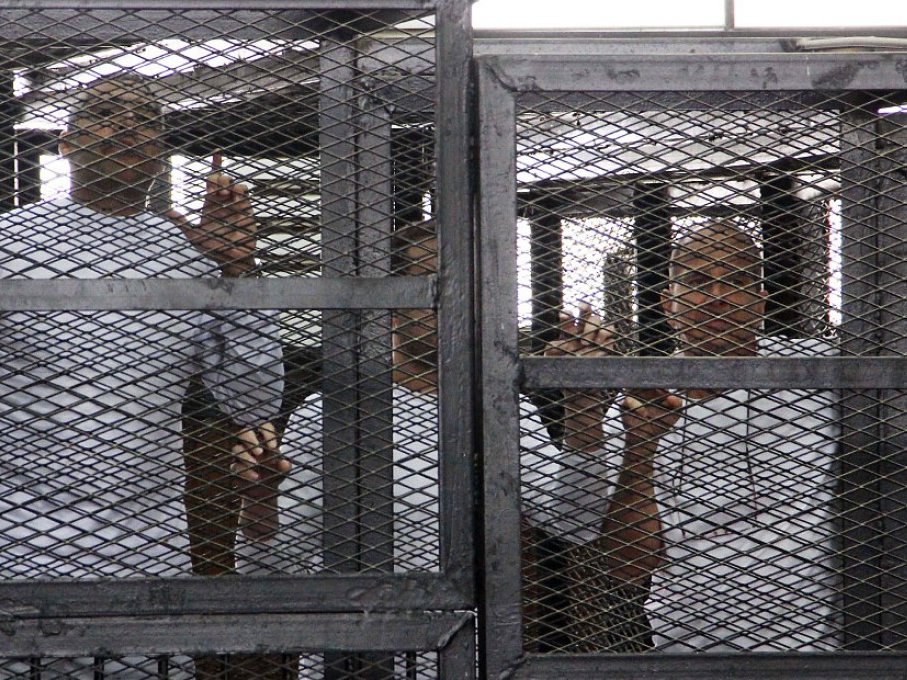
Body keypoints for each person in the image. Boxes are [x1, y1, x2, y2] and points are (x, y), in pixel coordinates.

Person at [0, 74, 284, 676]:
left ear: (162, 150)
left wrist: (240, 273)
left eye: (144, 119)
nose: (127, 126)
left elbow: (253, 397)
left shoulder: (191, 257)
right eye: (106, 113)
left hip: (146, 541)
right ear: (65, 142)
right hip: (7, 535)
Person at [561, 219, 907, 651]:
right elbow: (630, 569)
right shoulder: (642, 401)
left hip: (822, 654)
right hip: (687, 655)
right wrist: (641, 450)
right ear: (669, 302)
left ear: (761, 300)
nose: (718, 298)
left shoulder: (820, 370)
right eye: (698, 280)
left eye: (737, 280)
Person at [234, 222, 644, 655]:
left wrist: (581, 411)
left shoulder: (500, 410)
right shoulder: (331, 413)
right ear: (393, 303)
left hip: (470, 657)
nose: (453, 305)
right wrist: (260, 499)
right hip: (354, 659)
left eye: (465, 291)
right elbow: (268, 569)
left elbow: (574, 522)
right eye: (435, 288)